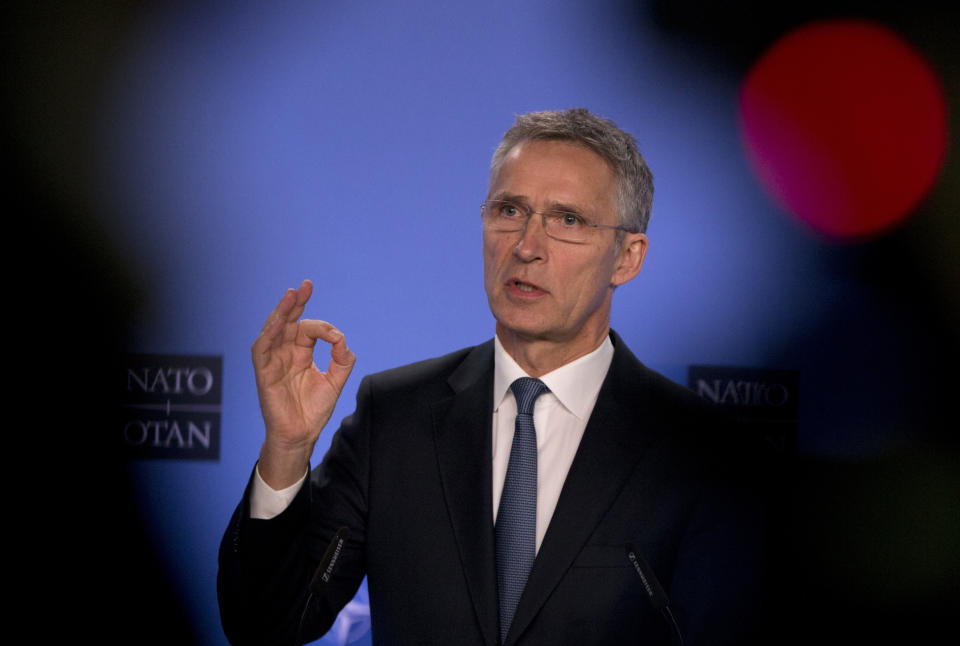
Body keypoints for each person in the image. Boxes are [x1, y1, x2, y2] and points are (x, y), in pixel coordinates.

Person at [218, 108, 763, 645]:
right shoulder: (395, 416)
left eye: (567, 220)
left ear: (628, 257)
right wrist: (287, 448)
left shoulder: (696, 449)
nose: (526, 246)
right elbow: (268, 622)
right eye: (509, 210)